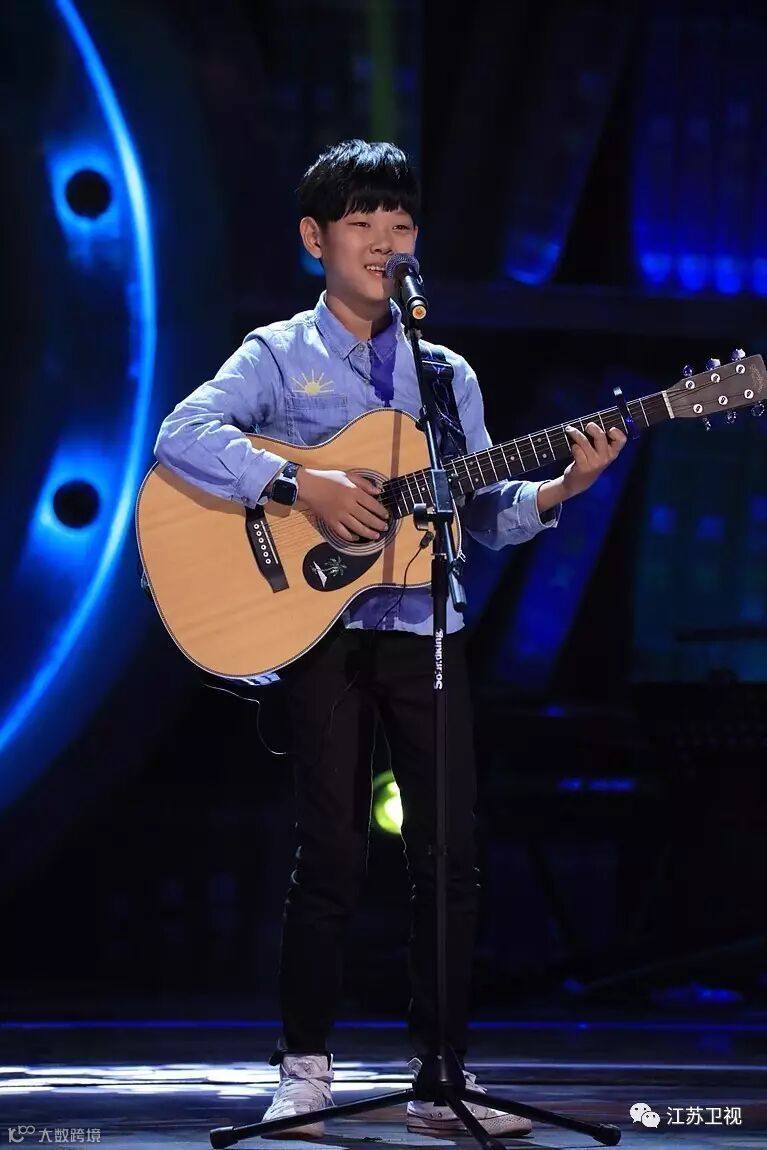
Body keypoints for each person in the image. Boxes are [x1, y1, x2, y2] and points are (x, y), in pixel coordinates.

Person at [154, 139, 626, 1138]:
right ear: (314, 238)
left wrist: (558, 488)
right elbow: (181, 436)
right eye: (361, 223)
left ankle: (439, 1076)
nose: (383, 241)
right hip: (321, 635)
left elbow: (478, 513)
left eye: (400, 224)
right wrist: (301, 485)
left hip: (426, 629)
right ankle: (303, 1071)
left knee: (448, 857)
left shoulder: (444, 374)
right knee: (329, 851)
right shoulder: (276, 354)